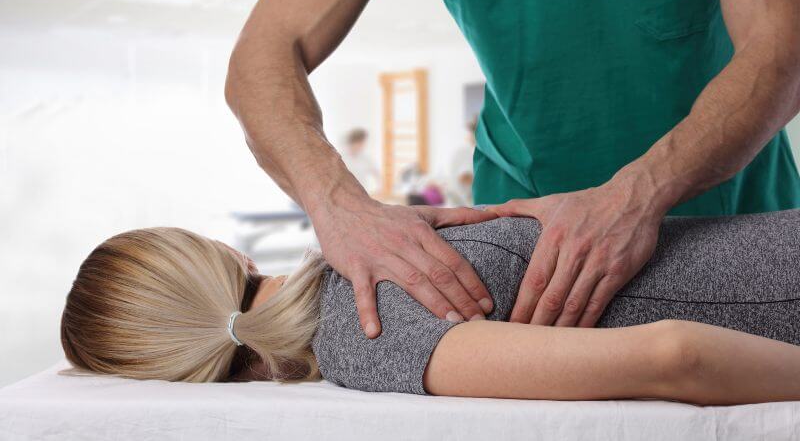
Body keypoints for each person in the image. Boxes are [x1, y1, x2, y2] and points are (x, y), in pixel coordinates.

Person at [224, 0, 800, 339]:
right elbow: (262, 57)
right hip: (519, 240)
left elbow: (782, 50)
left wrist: (638, 194)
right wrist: (338, 207)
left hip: (735, 220)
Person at [61, 207, 800, 404]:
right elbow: (672, 353)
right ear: (224, 257)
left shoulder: (362, 328)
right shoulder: (367, 283)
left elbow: (678, 356)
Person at [340, 128, 380, 194]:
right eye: (360, 143)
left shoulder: (365, 159)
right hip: (345, 193)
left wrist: (379, 189)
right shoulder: (342, 157)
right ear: (353, 142)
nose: (362, 145)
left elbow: (376, 173)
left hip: (361, 194)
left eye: (363, 143)